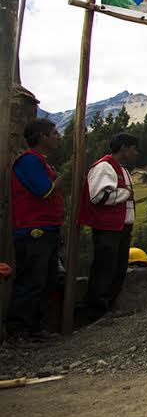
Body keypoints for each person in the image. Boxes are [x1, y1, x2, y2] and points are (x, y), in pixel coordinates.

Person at [7, 120, 64, 340]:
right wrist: (67, 175)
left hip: (47, 228)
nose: (58, 137)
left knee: (47, 280)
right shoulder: (29, 161)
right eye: (54, 133)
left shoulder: (42, 162)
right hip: (33, 230)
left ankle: (35, 327)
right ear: (42, 137)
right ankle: (19, 329)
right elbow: (45, 191)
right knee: (31, 280)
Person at [77, 132, 139, 321]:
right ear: (123, 148)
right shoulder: (104, 167)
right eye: (134, 148)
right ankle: (96, 309)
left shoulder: (121, 169)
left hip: (120, 226)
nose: (136, 153)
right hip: (107, 227)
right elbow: (99, 196)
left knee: (118, 267)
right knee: (105, 267)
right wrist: (124, 194)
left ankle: (108, 306)